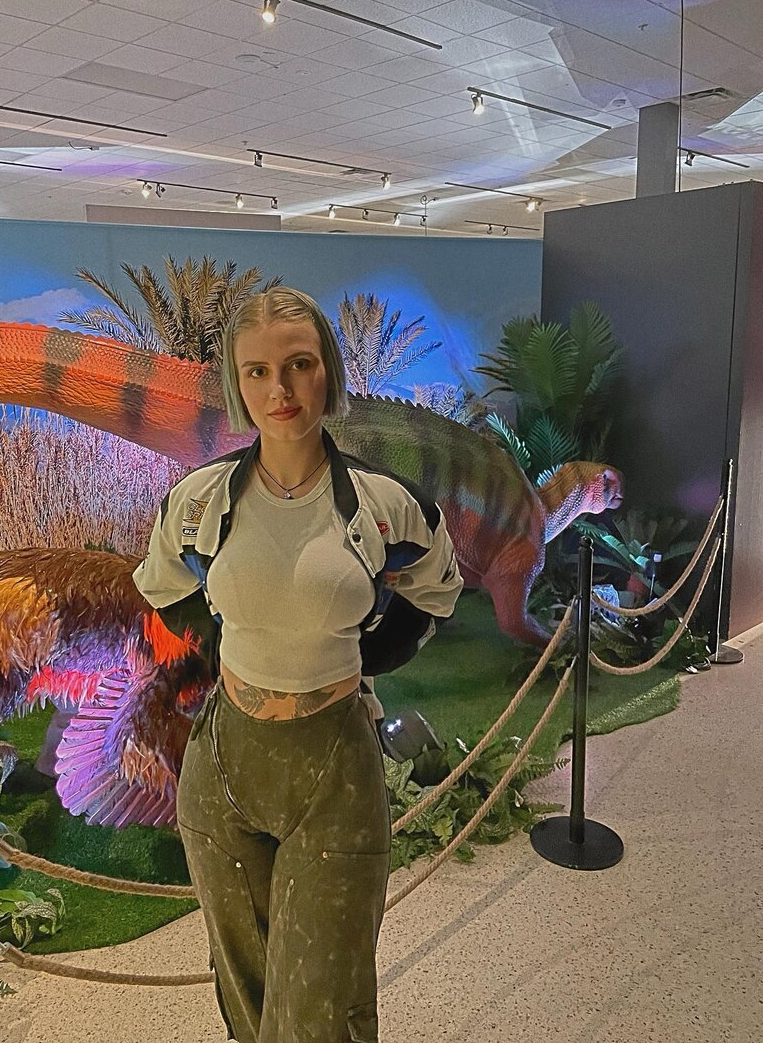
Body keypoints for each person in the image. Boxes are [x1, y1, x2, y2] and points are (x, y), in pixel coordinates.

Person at [132, 287, 463, 1042]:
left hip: (334, 764)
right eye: (257, 371)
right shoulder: (196, 503)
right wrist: (221, 643)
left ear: (328, 372)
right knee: (246, 995)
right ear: (236, 383)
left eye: (299, 364)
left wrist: (366, 653)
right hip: (225, 764)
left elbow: (436, 593)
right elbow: (164, 588)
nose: (279, 389)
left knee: (319, 1008)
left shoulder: (388, 506)